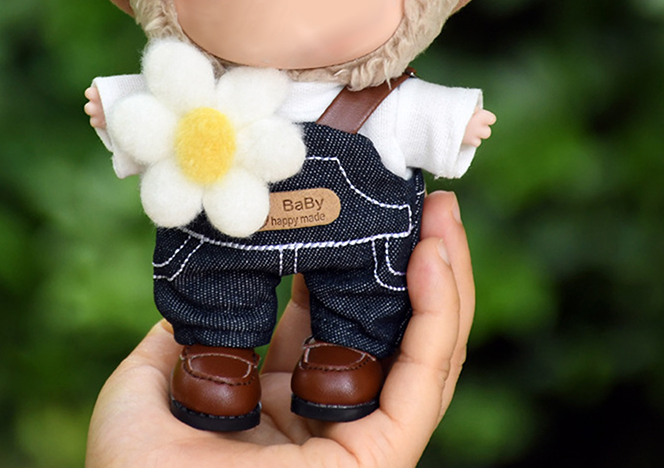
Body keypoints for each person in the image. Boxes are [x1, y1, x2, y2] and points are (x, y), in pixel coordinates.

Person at [85, 190, 473, 468]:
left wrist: (455, 123)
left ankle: (346, 339)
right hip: (231, 188)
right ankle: (221, 342)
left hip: (349, 206)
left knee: (359, 278)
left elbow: (416, 115)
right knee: (219, 272)